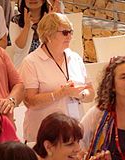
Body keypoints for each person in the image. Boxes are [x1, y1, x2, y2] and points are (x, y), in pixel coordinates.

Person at [19, 12, 94, 141]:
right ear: (49, 35)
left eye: (71, 32)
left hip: (74, 132)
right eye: (65, 32)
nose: (70, 36)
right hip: (44, 135)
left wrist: (80, 94)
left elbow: (91, 92)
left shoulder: (75, 58)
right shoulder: (31, 62)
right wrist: (60, 93)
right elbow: (30, 101)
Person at [8, 0, 50, 67]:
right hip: (22, 67)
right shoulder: (16, 20)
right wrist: (27, 26)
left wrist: (47, 24)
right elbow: (17, 49)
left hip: (44, 67)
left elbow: (52, 47)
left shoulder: (49, 19)